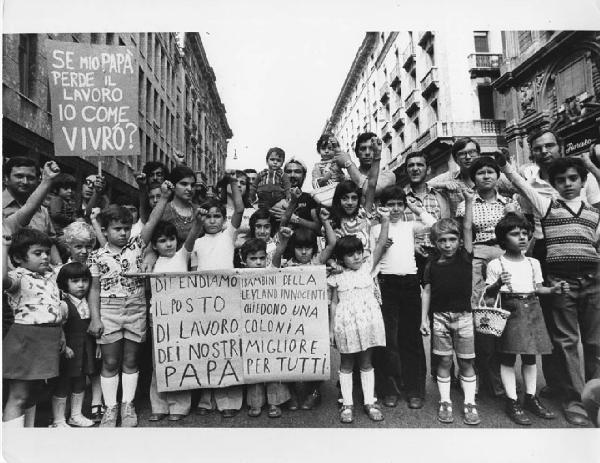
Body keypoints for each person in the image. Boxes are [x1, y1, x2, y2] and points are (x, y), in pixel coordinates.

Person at [499, 153, 600, 427]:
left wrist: (591, 164)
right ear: (553, 184)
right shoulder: (547, 206)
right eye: (561, 180)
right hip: (560, 282)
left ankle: (596, 398)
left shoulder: (594, 212)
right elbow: (523, 186)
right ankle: (575, 399)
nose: (567, 184)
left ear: (583, 181)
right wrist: (506, 167)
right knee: (566, 341)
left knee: (594, 343)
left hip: (593, 280)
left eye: (573, 178)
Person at [517, 130, 600, 400]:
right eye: (538, 147)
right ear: (532, 151)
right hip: (550, 259)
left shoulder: (584, 184)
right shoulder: (536, 189)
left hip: (587, 261)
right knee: (559, 333)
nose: (545, 151)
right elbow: (527, 216)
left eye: (550, 145)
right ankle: (565, 389)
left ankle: (592, 393)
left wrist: (590, 166)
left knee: (593, 337)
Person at [87, 181, 173, 427]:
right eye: (117, 229)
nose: (123, 233)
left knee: (131, 361)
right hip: (109, 311)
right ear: (105, 230)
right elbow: (94, 289)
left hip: (136, 308)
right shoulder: (97, 256)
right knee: (110, 361)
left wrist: (164, 198)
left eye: (126, 228)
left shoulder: (137, 246)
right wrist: (95, 318)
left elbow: (152, 222)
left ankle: (128, 406)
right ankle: (110, 407)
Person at [484, 213, 565, 425]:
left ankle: (530, 397)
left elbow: (538, 289)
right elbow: (488, 294)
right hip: (510, 309)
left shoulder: (533, 263)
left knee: (531, 356)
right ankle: (512, 401)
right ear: (502, 239)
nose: (522, 237)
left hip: (533, 309)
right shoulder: (496, 264)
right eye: (514, 234)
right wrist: (497, 283)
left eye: (525, 233)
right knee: (508, 357)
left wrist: (553, 289)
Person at [455, 156, 519, 398]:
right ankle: (479, 375)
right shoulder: (466, 203)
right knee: (480, 314)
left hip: (504, 254)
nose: (486, 176)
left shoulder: (508, 203)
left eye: (491, 172)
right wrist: (470, 259)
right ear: (474, 178)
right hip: (478, 254)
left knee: (505, 312)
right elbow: (466, 232)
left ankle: (502, 376)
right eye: (480, 173)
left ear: (497, 175)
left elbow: (519, 232)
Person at [373, 185, 437, 410]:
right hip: (386, 284)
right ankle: (389, 388)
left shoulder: (411, 226)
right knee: (389, 340)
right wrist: (382, 240)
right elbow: (373, 259)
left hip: (410, 283)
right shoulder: (376, 229)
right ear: (382, 206)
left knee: (411, 338)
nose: (396, 209)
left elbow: (435, 226)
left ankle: (415, 389)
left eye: (399, 204)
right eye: (391, 205)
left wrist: (414, 207)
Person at [328, 208, 390, 424]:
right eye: (350, 254)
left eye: (358, 252)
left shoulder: (367, 268)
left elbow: (381, 243)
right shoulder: (336, 276)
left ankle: (370, 401)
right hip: (345, 325)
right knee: (346, 363)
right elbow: (334, 303)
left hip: (368, 323)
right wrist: (330, 330)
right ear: (341, 258)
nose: (356, 256)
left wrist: (385, 220)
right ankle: (347, 403)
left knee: (366, 361)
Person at [190, 171, 244, 418]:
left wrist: (233, 182)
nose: (212, 220)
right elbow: (191, 271)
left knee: (227, 348)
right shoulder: (197, 243)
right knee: (206, 348)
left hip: (228, 298)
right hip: (203, 300)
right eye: (208, 216)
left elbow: (240, 209)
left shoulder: (228, 236)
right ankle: (206, 396)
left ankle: (228, 399)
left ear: (224, 220)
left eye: (217, 216)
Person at [271, 209, 337, 410]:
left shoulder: (318, 262)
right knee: (292, 353)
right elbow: (274, 261)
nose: (304, 252)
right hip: (292, 320)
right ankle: (291, 392)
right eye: (299, 248)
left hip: (315, 318)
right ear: (294, 249)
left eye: (308, 248)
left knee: (315, 352)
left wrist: (325, 222)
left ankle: (313, 391)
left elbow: (332, 243)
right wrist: (282, 242)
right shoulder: (287, 264)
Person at [2, 229, 68, 428]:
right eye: (38, 253)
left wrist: (61, 335)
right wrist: (3, 247)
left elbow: (54, 309)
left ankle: (25, 440)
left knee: (33, 394)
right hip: (25, 339)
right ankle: (9, 448)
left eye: (47, 252)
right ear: (17, 258)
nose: (45, 256)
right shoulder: (18, 276)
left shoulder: (49, 277)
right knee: (19, 396)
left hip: (48, 338)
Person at [420, 210, 480, 425]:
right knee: (444, 360)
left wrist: (469, 200)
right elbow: (426, 291)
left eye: (452, 240)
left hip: (464, 317)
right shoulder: (431, 264)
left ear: (460, 241)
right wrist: (423, 319)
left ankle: (469, 402)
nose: (448, 244)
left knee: (466, 361)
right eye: (442, 240)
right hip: (440, 318)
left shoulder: (465, 257)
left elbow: (466, 227)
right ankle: (445, 401)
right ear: (435, 243)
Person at [147, 214, 205, 423]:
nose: (168, 244)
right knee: (159, 362)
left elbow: (192, 235)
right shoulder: (150, 261)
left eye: (171, 238)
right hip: (158, 317)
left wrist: (198, 221)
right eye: (162, 241)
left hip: (181, 317)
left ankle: (180, 405)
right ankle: (159, 404)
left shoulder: (182, 256)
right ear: (154, 245)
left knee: (179, 359)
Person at [240, 238, 292, 418]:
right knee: (253, 364)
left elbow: (277, 257)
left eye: (262, 258)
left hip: (271, 327)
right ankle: (255, 402)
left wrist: (282, 244)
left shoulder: (270, 272)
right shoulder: (237, 276)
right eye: (253, 259)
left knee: (273, 364)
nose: (258, 262)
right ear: (243, 260)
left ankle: (275, 401)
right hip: (249, 329)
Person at [49, 262, 96, 428]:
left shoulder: (89, 302)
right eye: (75, 281)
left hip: (85, 349)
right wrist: (65, 347)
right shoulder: (63, 304)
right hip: (69, 350)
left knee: (80, 381)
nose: (81, 285)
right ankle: (58, 420)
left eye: (85, 280)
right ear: (64, 283)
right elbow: (58, 328)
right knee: (63, 383)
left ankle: (75, 415)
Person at [3, 156, 61, 264]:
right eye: (19, 176)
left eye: (30, 178)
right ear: (5, 178)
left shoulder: (42, 211)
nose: (25, 182)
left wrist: (59, 269)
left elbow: (50, 243)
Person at [332, 132, 396, 200]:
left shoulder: (388, 176)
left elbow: (370, 191)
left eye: (371, 148)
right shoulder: (348, 179)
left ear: (377, 151)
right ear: (356, 153)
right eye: (363, 149)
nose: (367, 153)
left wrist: (348, 163)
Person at [269, 158, 320, 232]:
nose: (292, 175)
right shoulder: (274, 197)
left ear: (304, 176)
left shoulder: (311, 198)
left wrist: (295, 218)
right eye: (289, 172)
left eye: (297, 172)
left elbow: (318, 227)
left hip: (303, 242)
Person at [160, 166, 199, 246]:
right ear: (173, 186)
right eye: (184, 184)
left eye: (192, 185)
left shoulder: (199, 211)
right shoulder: (163, 211)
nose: (189, 188)